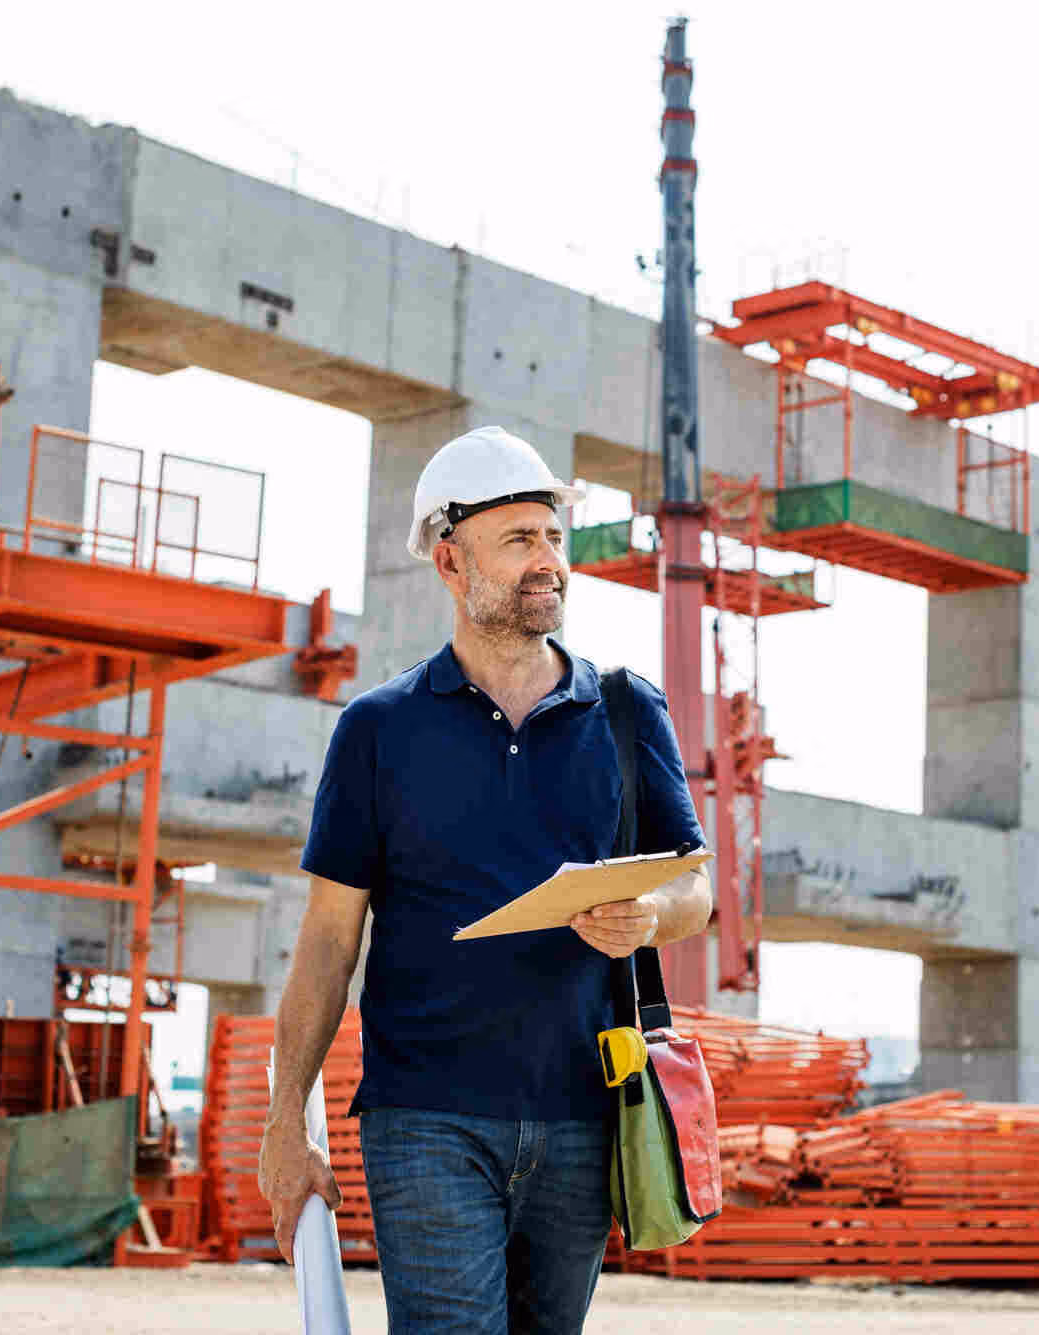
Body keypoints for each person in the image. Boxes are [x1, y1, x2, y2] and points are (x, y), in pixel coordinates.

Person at [258, 424, 711, 1334]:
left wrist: (649, 915)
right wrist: (284, 1125)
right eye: (520, 540)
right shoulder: (380, 730)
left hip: (587, 1114)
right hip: (426, 1118)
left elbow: (695, 890)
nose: (549, 560)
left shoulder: (627, 711)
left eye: (554, 536)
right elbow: (328, 938)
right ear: (450, 561)